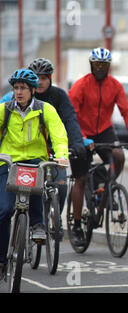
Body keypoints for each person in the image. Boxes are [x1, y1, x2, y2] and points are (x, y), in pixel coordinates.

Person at [68, 47, 128, 246]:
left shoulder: (115, 85)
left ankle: (105, 192)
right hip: (81, 132)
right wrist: (81, 138)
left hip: (103, 130)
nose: (100, 68)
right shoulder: (81, 85)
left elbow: (126, 110)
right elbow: (70, 115)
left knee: (118, 156)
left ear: (109, 67)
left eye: (104, 65)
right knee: (81, 178)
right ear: (91, 65)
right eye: (97, 65)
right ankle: (76, 226)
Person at [0, 69, 68, 278]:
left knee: (38, 179)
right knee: (3, 211)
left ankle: (38, 224)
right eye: (16, 88)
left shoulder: (44, 109)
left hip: (35, 159)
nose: (19, 92)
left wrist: (62, 155)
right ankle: (1, 260)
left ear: (31, 91)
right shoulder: (5, 109)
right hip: (8, 160)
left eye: (23, 88)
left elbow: (58, 133)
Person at [28, 58, 86, 226]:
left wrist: (77, 144)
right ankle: (32, 222)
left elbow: (70, 119)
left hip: (54, 151)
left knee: (61, 186)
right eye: (36, 77)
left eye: (44, 78)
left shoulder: (58, 95)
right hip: (30, 151)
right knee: (31, 189)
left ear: (50, 78)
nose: (39, 82)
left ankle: (55, 217)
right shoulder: (23, 94)